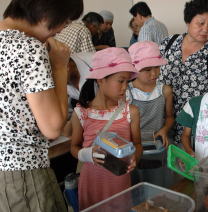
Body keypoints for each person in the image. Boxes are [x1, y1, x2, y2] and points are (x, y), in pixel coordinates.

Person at [0, 0, 83, 211]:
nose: (63, 28)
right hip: (23, 173)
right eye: (64, 21)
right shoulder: (29, 48)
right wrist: (60, 66)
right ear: (46, 14)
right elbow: (53, 128)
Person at [70, 47, 142, 209]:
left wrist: (135, 157)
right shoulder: (82, 113)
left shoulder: (130, 112)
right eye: (120, 81)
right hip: (91, 183)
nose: (125, 87)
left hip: (119, 182)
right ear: (100, 80)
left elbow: (137, 144)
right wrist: (87, 154)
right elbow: (74, 147)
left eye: (127, 82)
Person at [159, 0, 208, 142]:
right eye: (200, 23)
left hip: (192, 127)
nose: (206, 29)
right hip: (160, 121)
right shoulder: (168, 43)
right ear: (188, 22)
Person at [127, 41, 174, 147]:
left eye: (157, 67)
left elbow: (170, 117)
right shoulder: (127, 92)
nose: (154, 74)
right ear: (134, 69)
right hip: (132, 144)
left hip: (158, 142)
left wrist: (164, 130)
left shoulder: (165, 91)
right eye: (147, 70)